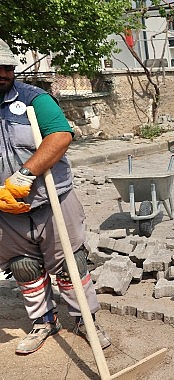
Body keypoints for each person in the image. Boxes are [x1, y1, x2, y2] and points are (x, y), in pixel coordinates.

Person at [0, 39, 111, 354]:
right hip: (7, 212)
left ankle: (84, 320)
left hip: (52, 200)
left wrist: (25, 174)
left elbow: (61, 136)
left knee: (70, 265)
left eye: (7, 67)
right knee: (23, 267)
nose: (3, 73)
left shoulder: (34, 100)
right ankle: (44, 321)